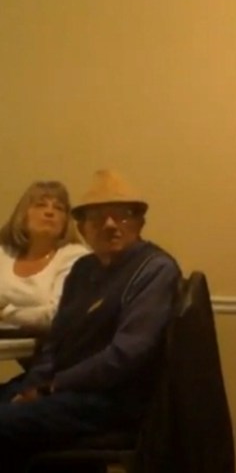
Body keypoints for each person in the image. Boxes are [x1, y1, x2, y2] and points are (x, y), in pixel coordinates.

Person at [0, 169, 182, 472]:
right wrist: (33, 385)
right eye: (97, 217)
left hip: (110, 399)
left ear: (139, 223)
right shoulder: (83, 269)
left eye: (121, 216)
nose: (109, 225)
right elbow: (55, 343)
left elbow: (127, 354)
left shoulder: (154, 269)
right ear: (82, 228)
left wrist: (50, 388)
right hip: (63, 391)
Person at [0, 181, 89, 334]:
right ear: (23, 214)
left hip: (45, 346)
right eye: (40, 205)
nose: (49, 212)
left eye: (58, 208)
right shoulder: (4, 254)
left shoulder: (74, 256)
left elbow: (58, 314)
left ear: (66, 221)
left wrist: (5, 313)